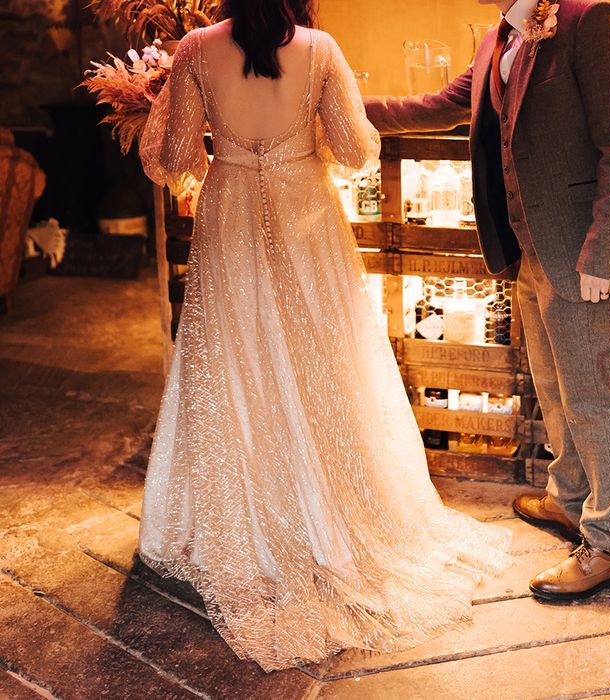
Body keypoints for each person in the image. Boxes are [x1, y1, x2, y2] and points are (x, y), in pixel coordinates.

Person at [138, 0, 513, 672]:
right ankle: (327, 510)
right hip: (305, 210)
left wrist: (228, 154)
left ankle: (251, 517)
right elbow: (354, 146)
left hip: (228, 214)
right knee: (325, 359)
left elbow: (173, 153)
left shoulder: (195, 50)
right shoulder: (318, 47)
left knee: (232, 356)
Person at [365, 0, 610, 601]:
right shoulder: (498, 36)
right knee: (553, 387)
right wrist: (335, 107)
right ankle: (570, 498)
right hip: (530, 250)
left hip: (584, 252)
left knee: (594, 393)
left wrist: (604, 257)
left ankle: (609, 544)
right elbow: (435, 106)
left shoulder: (591, 19)